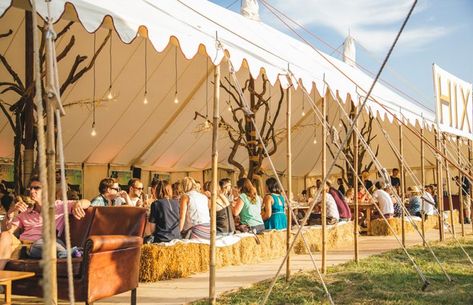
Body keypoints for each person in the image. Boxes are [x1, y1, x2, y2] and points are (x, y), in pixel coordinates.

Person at [0, 177, 90, 269]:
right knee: (5, 235)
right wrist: (10, 213)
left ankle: (65, 253)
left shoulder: (58, 206)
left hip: (45, 243)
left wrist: (78, 204)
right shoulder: (25, 212)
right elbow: (7, 231)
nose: (32, 191)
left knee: (46, 243)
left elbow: (87, 202)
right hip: (23, 246)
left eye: (36, 188)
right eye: (30, 188)